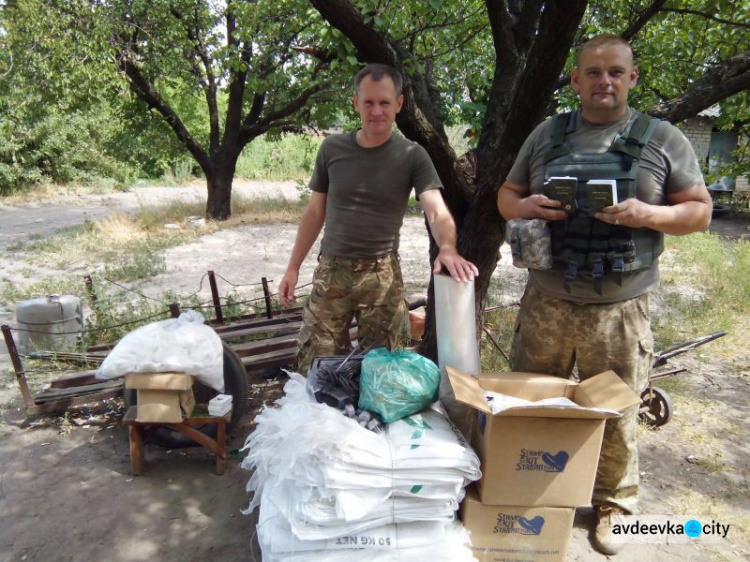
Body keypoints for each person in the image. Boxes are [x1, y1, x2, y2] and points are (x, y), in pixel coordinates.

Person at [497, 34, 712, 555]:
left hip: (619, 309)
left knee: (616, 414)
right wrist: (529, 209)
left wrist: (650, 215)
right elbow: (507, 196)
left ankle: (614, 508)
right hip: (546, 301)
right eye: (593, 72)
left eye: (616, 71)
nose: (604, 81)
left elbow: (700, 212)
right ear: (575, 80)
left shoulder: (661, 138)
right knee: (534, 405)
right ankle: (532, 493)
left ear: (632, 77)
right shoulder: (546, 135)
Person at [279, 63, 478, 374]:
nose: (376, 111)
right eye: (368, 102)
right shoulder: (332, 149)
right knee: (316, 366)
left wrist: (448, 248)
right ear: (355, 103)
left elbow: (436, 209)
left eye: (385, 102)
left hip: (381, 274)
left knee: (384, 370)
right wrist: (292, 268)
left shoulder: (412, 155)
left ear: (398, 104)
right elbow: (315, 212)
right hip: (333, 272)